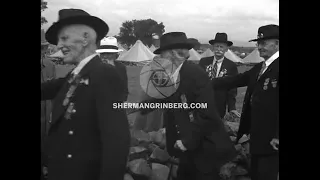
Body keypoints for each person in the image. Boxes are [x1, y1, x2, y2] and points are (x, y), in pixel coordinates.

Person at [41, 8, 130, 180]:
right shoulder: (78, 72)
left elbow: (116, 141)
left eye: (64, 38)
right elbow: (49, 88)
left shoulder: (104, 73)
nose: (58, 45)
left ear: (85, 38)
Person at [137, 32, 236, 180]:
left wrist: (186, 141)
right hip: (189, 150)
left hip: (205, 150)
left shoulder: (195, 75)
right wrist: (140, 107)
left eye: (162, 54)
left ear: (173, 54)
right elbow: (167, 98)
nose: (160, 59)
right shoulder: (174, 73)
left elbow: (206, 113)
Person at [212, 24, 279, 180]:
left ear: (277, 43)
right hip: (256, 138)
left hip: (271, 140)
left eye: (264, 43)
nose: (259, 47)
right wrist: (204, 82)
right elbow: (236, 80)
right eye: (258, 43)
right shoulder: (261, 67)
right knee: (256, 174)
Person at [199, 32, 240, 119]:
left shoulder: (231, 66)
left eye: (221, 47)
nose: (219, 49)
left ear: (226, 49)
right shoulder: (203, 62)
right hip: (202, 103)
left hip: (219, 104)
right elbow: (196, 82)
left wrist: (232, 108)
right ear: (212, 48)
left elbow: (232, 88)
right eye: (216, 46)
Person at [96, 36, 128, 101]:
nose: (105, 56)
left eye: (108, 53)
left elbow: (124, 89)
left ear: (115, 55)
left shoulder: (121, 67)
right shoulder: (94, 67)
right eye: (102, 53)